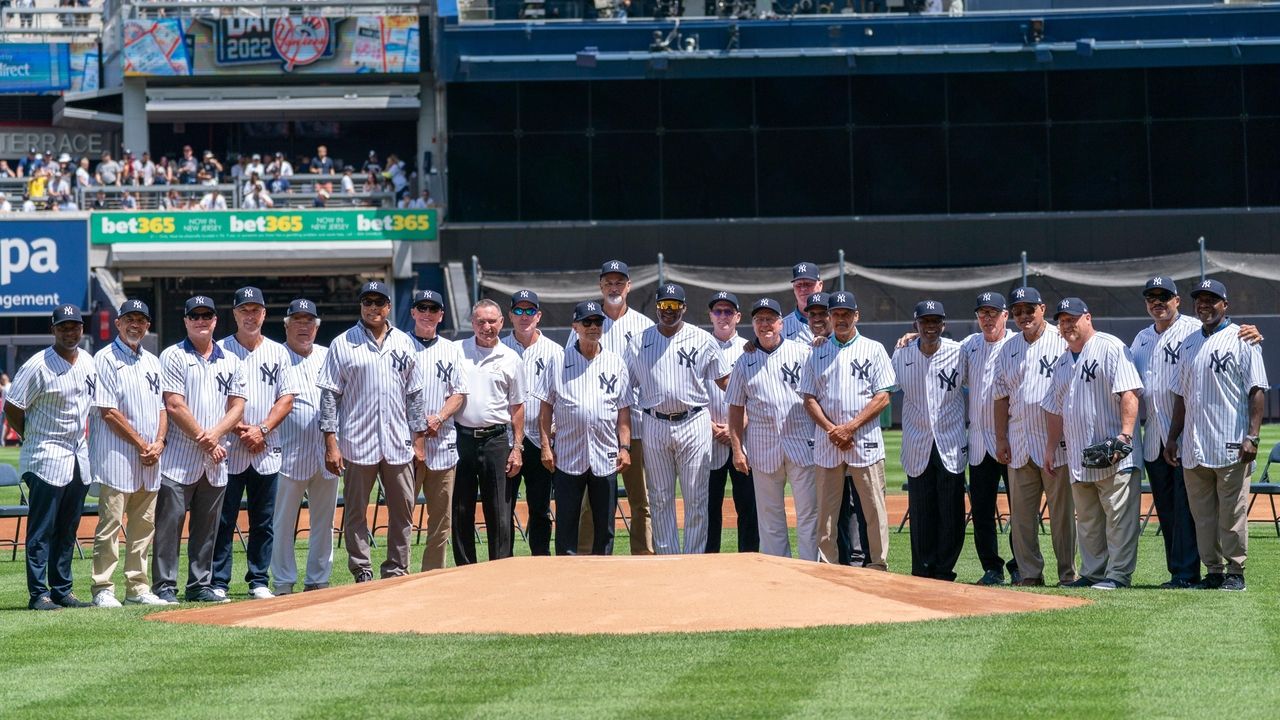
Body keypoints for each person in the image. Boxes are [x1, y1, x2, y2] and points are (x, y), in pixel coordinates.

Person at [318, 281, 427, 582]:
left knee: (403, 510)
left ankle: (396, 568)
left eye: (379, 302)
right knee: (356, 512)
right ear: (361, 306)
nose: (373, 307)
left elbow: (414, 396)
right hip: (356, 440)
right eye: (368, 301)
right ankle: (361, 568)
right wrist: (331, 442)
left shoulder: (405, 342)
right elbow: (329, 396)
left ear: (389, 306)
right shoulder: (343, 343)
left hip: (397, 441)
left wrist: (419, 441)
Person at [1166, 279, 1269, 592]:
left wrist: (1253, 436)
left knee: (1232, 513)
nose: (1205, 305)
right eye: (1200, 300)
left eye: (1212, 300)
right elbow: (1181, 396)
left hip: (1231, 443)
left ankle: (1235, 571)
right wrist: (1173, 437)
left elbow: (1257, 391)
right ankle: (1213, 571)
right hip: (1194, 445)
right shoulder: (1188, 343)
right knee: (1203, 516)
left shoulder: (1243, 339)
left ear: (1226, 305)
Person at [1042, 297, 1143, 590]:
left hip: (1112, 452)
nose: (1067, 325)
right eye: (1062, 320)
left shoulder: (1110, 347)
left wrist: (1125, 435)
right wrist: (1050, 448)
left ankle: (1118, 575)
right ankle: (1093, 572)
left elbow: (1129, 392)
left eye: (1072, 318)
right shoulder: (1062, 361)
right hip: (1078, 454)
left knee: (1119, 518)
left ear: (1087, 317)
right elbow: (1053, 408)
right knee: (1087, 521)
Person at [153, 296, 247, 604]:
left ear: (216, 320)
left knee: (208, 528)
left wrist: (215, 437)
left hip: (215, 458)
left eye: (207, 314)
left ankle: (199, 584)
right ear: (186, 321)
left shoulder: (231, 359)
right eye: (195, 315)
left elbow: (237, 406)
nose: (201, 320)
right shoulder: (173, 355)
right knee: (170, 525)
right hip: (179, 458)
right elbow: (174, 404)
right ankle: (165, 586)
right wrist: (206, 440)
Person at [4, 304, 97, 610]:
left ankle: (62, 589)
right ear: (53, 330)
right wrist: (32, 437)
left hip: (77, 457)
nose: (70, 332)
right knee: (42, 528)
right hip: (44, 456)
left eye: (75, 326)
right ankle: (38, 593)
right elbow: (13, 407)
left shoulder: (87, 361)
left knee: (68, 528)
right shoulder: (37, 365)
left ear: (82, 329)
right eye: (63, 327)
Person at [627, 284, 731, 554]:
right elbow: (624, 390)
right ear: (657, 307)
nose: (668, 311)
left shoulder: (702, 339)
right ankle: (667, 558)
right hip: (654, 422)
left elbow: (726, 382)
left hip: (693, 421)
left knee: (696, 497)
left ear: (684, 308)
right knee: (659, 497)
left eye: (674, 306)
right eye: (664, 305)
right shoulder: (639, 342)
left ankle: (693, 559)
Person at [211, 287, 298, 600]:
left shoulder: (278, 352)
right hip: (230, 449)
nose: (250, 316)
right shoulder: (219, 350)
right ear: (234, 314)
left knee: (263, 521)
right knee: (224, 519)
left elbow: (286, 399)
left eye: (255, 310)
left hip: (266, 447)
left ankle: (258, 579)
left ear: (264, 313)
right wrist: (241, 431)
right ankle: (218, 580)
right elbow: (214, 400)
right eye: (244, 310)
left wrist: (261, 429)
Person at [799, 291, 894, 569]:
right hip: (829, 441)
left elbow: (883, 396)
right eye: (836, 314)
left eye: (846, 313)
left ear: (856, 316)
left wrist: (849, 428)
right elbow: (809, 397)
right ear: (829, 317)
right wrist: (832, 429)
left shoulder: (873, 348)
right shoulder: (817, 352)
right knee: (827, 512)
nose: (841, 318)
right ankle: (829, 564)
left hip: (863, 439)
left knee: (873, 508)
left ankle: (878, 564)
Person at [993, 286, 1078, 587]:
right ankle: (1030, 573)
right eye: (1017, 311)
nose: (1023, 315)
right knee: (1022, 518)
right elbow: (1000, 397)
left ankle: (1067, 573)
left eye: (1029, 309)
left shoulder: (1062, 340)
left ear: (1042, 309)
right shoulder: (1008, 347)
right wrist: (1001, 438)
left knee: (1062, 516)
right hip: (1019, 442)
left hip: (1055, 444)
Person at [88, 300, 169, 608]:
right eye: (130, 319)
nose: (136, 324)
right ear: (119, 323)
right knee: (109, 526)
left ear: (147, 325)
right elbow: (108, 411)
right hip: (117, 456)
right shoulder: (105, 358)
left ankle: (137, 587)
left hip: (151, 457)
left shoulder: (153, 361)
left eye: (141, 320)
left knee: (143, 527)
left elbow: (162, 407)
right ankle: (103, 588)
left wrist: (159, 442)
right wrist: (141, 444)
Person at [537, 300, 632, 555]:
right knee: (566, 523)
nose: (593, 327)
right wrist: (546, 446)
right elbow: (545, 408)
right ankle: (567, 575)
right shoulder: (558, 361)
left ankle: (603, 572)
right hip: (568, 454)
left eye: (598, 322)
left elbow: (623, 411)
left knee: (605, 524)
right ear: (575, 326)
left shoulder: (615, 362)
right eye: (587, 322)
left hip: (605, 454)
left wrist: (625, 447)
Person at [727, 298, 818, 561]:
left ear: (781, 323)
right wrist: (737, 450)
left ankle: (811, 567)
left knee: (809, 513)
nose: (765, 324)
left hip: (802, 442)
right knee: (769, 516)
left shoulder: (802, 353)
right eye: (759, 320)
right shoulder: (744, 361)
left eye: (770, 319)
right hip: (763, 446)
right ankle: (778, 569)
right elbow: (735, 407)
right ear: (753, 324)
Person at [574, 260, 655, 555]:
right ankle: (584, 556)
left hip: (635, 425)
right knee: (589, 501)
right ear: (600, 286)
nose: (614, 287)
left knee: (641, 499)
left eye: (619, 282)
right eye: (608, 282)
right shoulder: (586, 323)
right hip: (595, 428)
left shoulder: (645, 327)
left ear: (629, 286)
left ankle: (643, 555)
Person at [892, 301, 968, 581]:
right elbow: (887, 388)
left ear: (944, 325)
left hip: (950, 440)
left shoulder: (959, 352)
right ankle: (921, 569)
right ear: (916, 324)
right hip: (917, 441)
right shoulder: (901, 354)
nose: (930, 326)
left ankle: (945, 569)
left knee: (951, 511)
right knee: (922, 511)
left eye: (936, 321)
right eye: (925, 321)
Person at [271, 299, 341, 594]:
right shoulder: (275, 357)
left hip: (326, 452)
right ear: (287, 325)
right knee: (283, 523)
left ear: (317, 326)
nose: (304, 327)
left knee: (324, 523)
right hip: (288, 453)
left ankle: (318, 579)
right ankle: (284, 581)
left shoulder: (328, 357)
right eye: (297, 321)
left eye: (309, 321)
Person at [453, 299, 526, 564]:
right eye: (481, 321)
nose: (487, 327)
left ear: (501, 323)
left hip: (496, 440)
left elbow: (517, 407)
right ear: (472, 323)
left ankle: (501, 569)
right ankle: (465, 569)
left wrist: (517, 448)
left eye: (492, 321)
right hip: (461, 439)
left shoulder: (511, 359)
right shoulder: (456, 351)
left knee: (500, 511)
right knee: (461, 509)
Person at [960, 291, 1019, 585]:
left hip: (1014, 441)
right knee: (982, 509)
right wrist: (911, 336)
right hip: (980, 442)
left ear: (1005, 315)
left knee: (1020, 508)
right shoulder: (969, 345)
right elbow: (938, 350)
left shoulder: (1017, 343)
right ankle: (991, 567)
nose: (987, 318)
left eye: (993, 313)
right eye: (982, 313)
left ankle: (1020, 564)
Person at [409, 290, 469, 571]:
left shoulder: (452, 349)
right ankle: (400, 573)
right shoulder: (401, 345)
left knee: (441, 520)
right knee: (402, 516)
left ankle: (432, 575)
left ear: (441, 315)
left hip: (443, 443)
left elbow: (459, 393)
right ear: (413, 312)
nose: (427, 313)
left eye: (433, 309)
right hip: (407, 445)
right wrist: (418, 424)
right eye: (422, 307)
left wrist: (439, 418)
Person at [501, 290, 562, 556]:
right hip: (506, 439)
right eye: (519, 311)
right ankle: (503, 560)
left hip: (541, 439)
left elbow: (561, 395)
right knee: (504, 505)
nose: (524, 316)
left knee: (539, 506)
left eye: (530, 311)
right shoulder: (499, 349)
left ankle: (540, 559)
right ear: (510, 315)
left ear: (538, 316)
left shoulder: (555, 351)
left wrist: (555, 433)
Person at [704, 291, 758, 553]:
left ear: (737, 316)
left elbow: (757, 393)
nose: (722, 316)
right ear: (710, 315)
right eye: (718, 311)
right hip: (708, 436)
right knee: (708, 506)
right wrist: (709, 425)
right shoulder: (699, 345)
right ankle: (708, 558)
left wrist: (738, 425)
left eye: (728, 311)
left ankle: (749, 558)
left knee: (748, 505)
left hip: (744, 439)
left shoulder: (750, 348)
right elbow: (690, 391)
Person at [784, 262, 822, 343]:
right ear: (793, 288)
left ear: (820, 285)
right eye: (799, 285)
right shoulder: (781, 327)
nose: (803, 288)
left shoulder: (836, 321)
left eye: (808, 284)